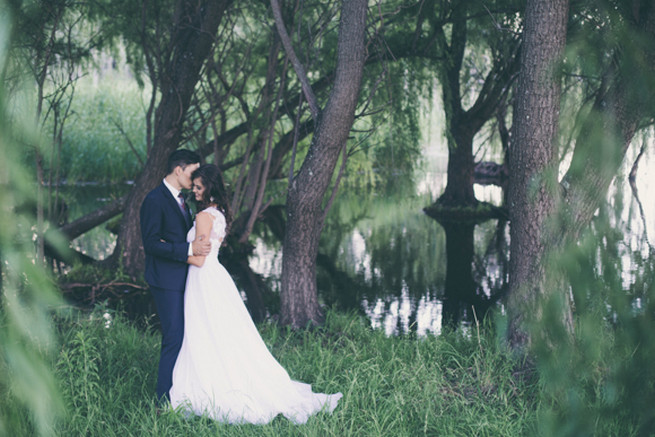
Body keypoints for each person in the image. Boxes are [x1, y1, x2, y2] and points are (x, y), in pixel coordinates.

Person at [169, 164, 342, 424]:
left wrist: (176, 256)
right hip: (215, 278)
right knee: (219, 333)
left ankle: (212, 384)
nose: (194, 191)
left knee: (204, 330)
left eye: (198, 187)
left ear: (210, 189)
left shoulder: (204, 217)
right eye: (193, 186)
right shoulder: (220, 215)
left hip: (203, 278)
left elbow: (200, 259)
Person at [140, 149, 211, 404]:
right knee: (173, 337)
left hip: (185, 278)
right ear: (178, 170)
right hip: (165, 280)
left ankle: (183, 392)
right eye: (193, 172)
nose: (196, 178)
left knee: (187, 336)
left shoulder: (184, 201)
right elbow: (151, 244)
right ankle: (162, 401)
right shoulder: (154, 200)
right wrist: (188, 249)